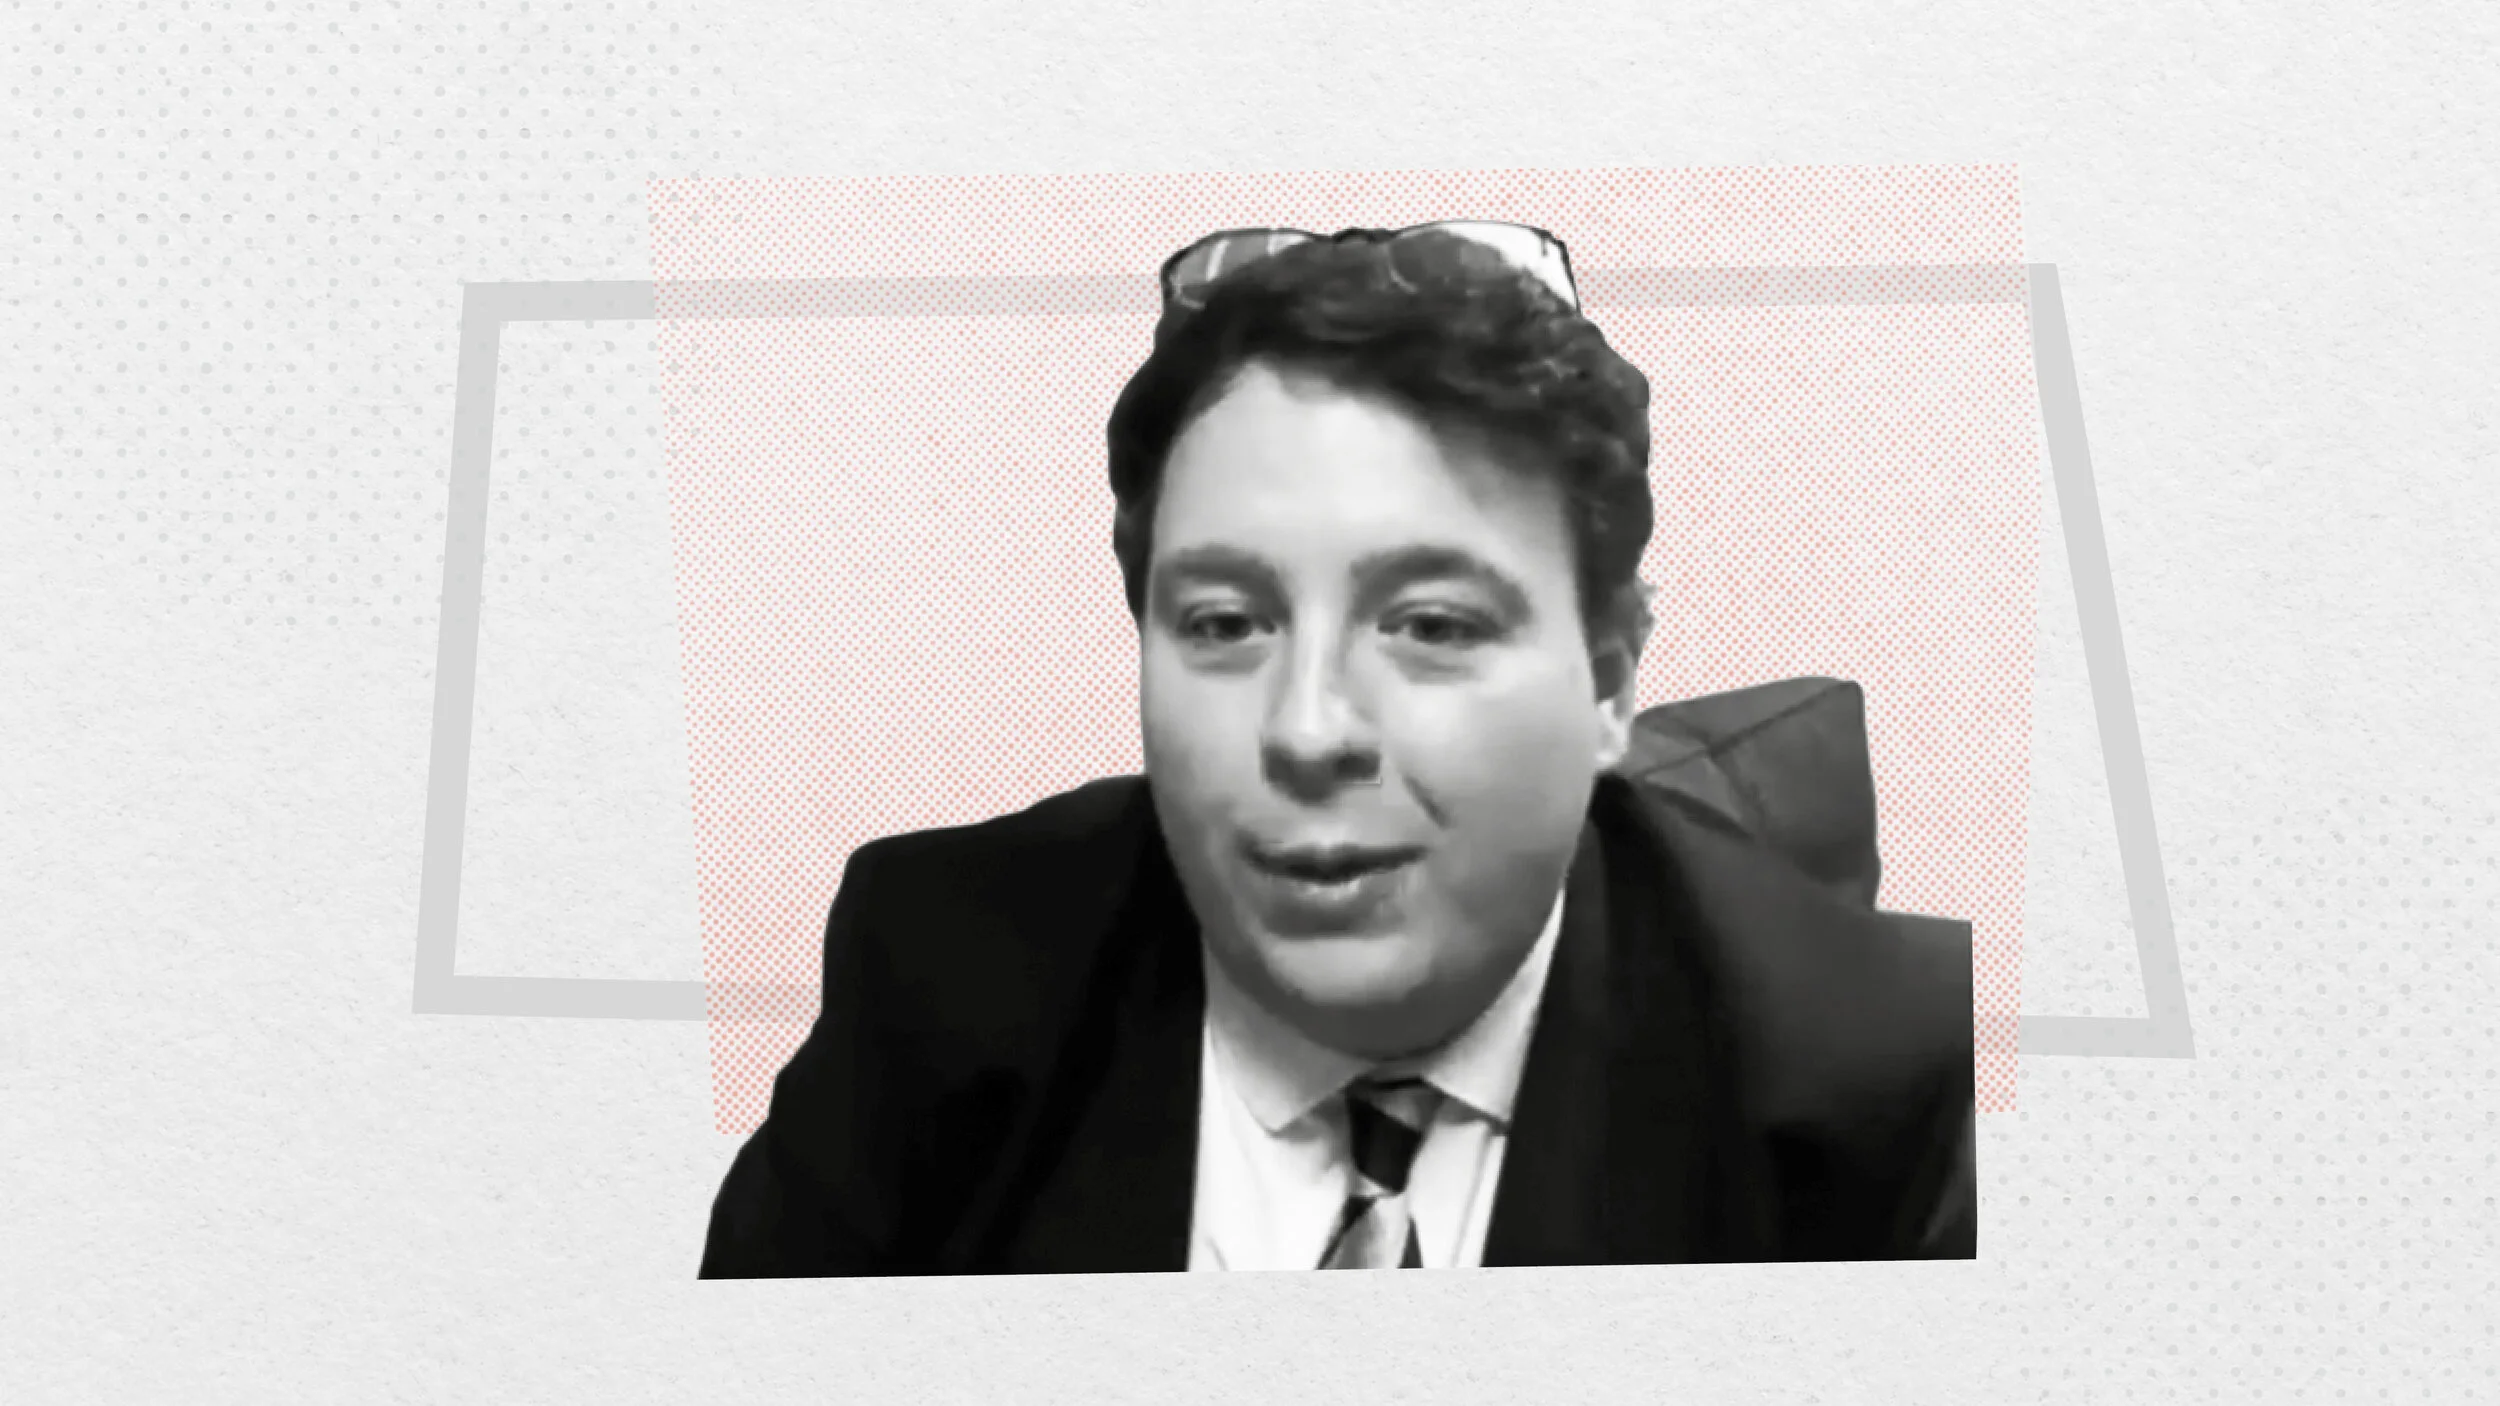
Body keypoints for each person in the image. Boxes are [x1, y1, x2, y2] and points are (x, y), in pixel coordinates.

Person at [699, 223, 1976, 1275]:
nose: (1307, 728)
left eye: (1431, 624)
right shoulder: (940, 969)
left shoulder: (1874, 1072)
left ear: (1605, 680)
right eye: (1223, 623)